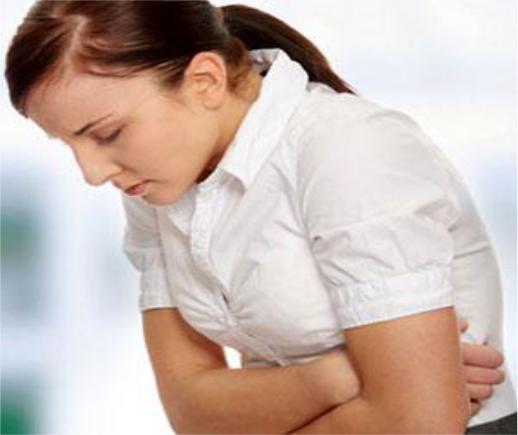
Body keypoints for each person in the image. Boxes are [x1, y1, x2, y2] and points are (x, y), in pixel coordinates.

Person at [4, 1, 516, 433]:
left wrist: (271, 402)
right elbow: (191, 412)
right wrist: (341, 376)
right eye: (69, 144)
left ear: (205, 81)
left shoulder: (347, 149)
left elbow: (416, 421)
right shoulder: (158, 186)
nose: (92, 173)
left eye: (107, 134)